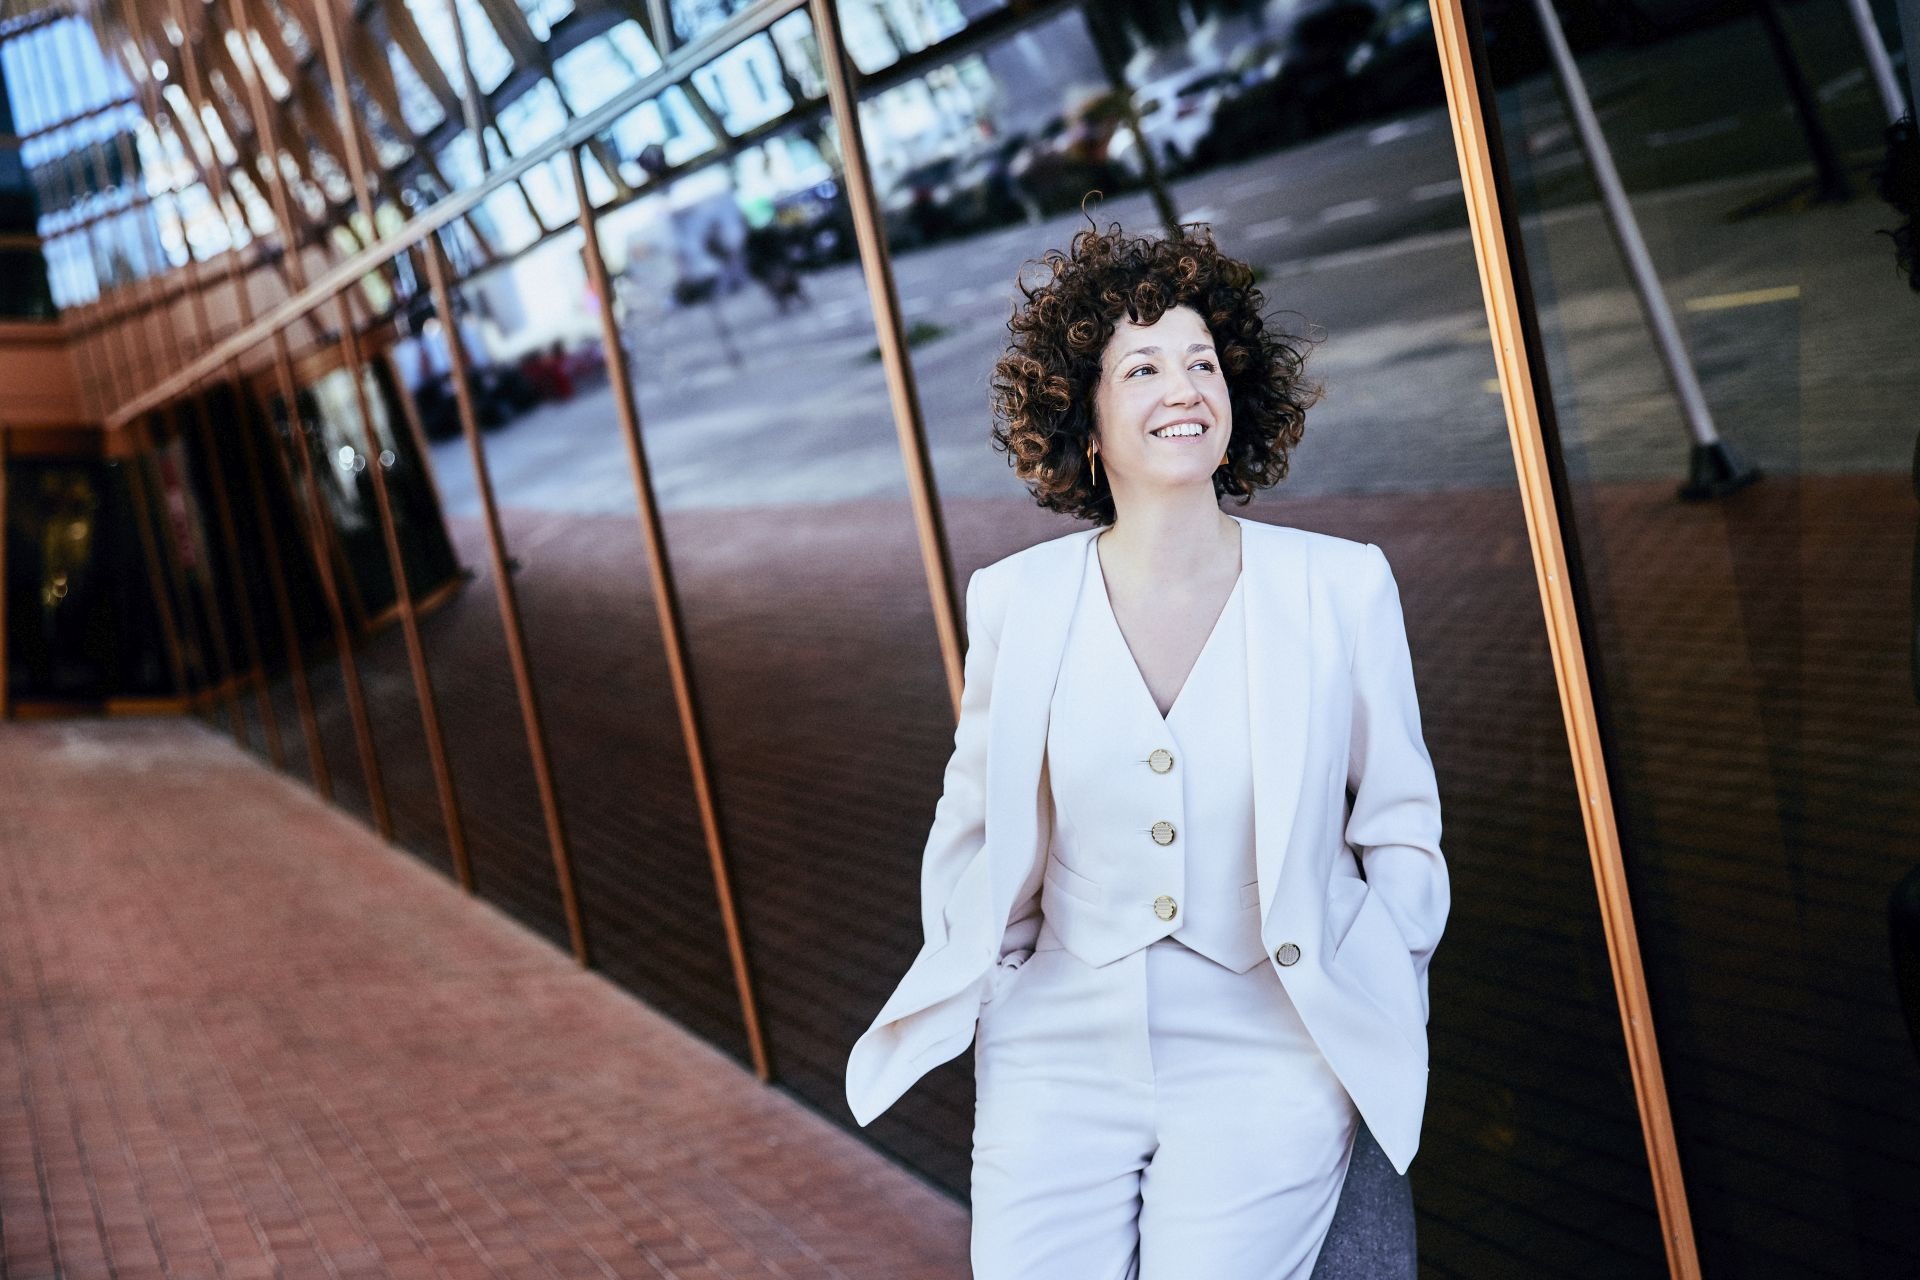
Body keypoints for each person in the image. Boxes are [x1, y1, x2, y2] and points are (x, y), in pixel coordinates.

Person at [844, 223, 1449, 1279]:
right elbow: (973, 823)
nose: (1185, 385)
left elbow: (1400, 822)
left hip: (1268, 1039)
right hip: (1056, 1041)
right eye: (1144, 365)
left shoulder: (1341, 585)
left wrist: (1378, 972)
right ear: (1085, 422)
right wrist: (1009, 979)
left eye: (1203, 360)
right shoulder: (1015, 602)